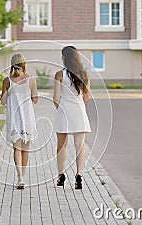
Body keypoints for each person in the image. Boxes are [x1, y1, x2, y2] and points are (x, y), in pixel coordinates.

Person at [53, 46, 91, 189]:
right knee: (80, 145)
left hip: (64, 110)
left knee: (61, 145)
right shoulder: (84, 74)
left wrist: (60, 110)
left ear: (64, 57)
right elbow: (87, 98)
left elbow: (56, 98)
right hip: (79, 111)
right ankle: (79, 175)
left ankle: (61, 175)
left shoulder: (59, 74)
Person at [0, 53, 38, 189]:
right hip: (27, 117)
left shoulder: (7, 80)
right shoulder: (31, 79)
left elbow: (3, 100)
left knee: (16, 148)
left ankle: (20, 177)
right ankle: (23, 177)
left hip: (14, 118)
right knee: (25, 150)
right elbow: (35, 99)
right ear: (24, 64)